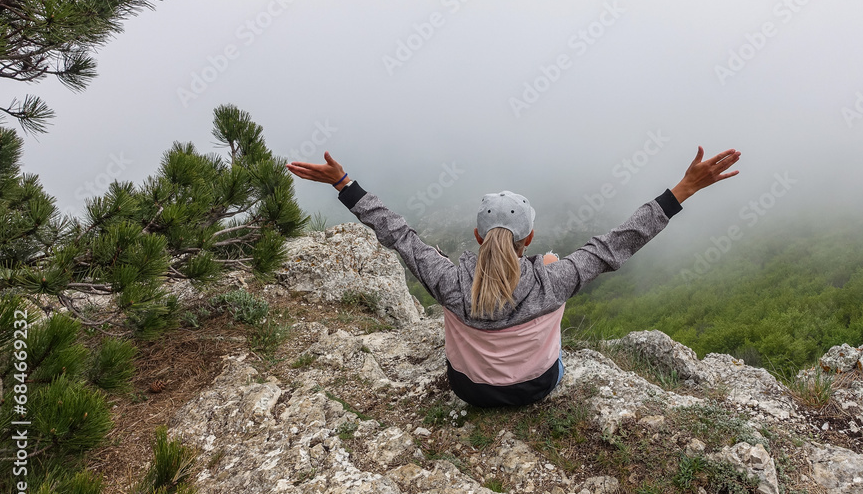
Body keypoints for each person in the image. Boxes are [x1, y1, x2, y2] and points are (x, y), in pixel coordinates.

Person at [286, 146, 740, 407]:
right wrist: (683, 190)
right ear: (530, 236)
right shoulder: (551, 282)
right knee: (559, 266)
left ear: (477, 236)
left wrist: (344, 184)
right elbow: (617, 243)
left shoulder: (448, 281)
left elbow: (398, 234)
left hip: (467, 389)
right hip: (537, 387)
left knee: (448, 261)